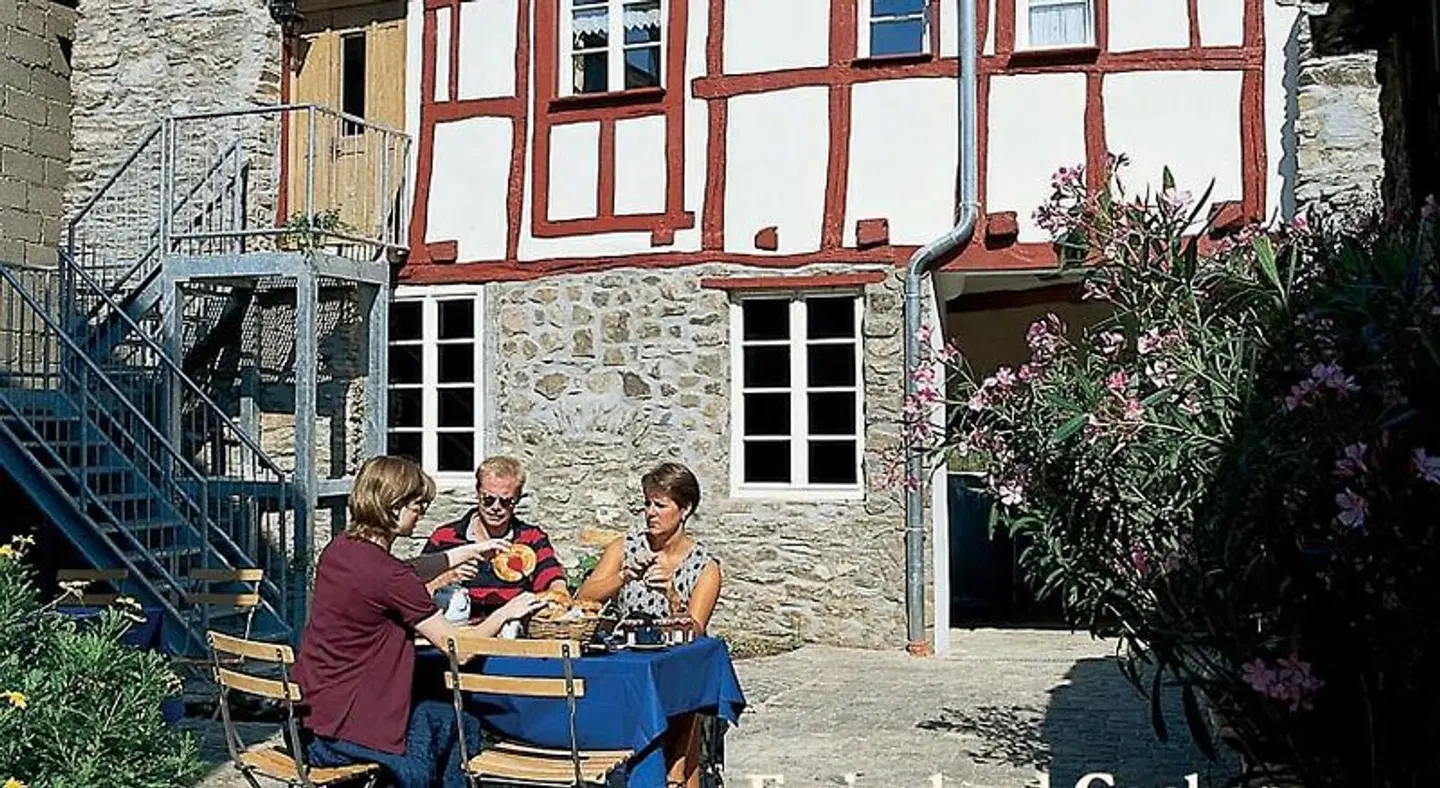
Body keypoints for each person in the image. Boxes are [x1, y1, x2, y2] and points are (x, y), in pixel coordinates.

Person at [294, 455, 546, 788]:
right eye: (417, 505)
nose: (422, 513)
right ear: (393, 506)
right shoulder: (391, 578)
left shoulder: (340, 550)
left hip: (309, 721)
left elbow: (408, 569)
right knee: (459, 721)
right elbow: (460, 650)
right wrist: (506, 612)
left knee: (440, 711)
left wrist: (473, 549)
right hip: (346, 731)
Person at [577, 461, 721, 788]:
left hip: (675, 669)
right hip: (627, 665)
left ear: (684, 510)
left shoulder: (705, 566)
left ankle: (675, 777)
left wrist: (671, 595)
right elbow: (584, 597)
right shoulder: (625, 547)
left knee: (687, 707)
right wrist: (624, 575)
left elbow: (695, 631)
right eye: (647, 503)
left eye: (660, 505)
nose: (650, 513)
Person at [422, 455, 569, 619]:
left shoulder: (532, 538)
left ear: (517, 500)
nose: (496, 508)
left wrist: (559, 595)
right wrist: (447, 578)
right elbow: (414, 589)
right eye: (489, 499)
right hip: (454, 631)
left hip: (513, 632)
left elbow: (552, 579)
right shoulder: (445, 537)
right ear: (477, 493)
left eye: (506, 502)